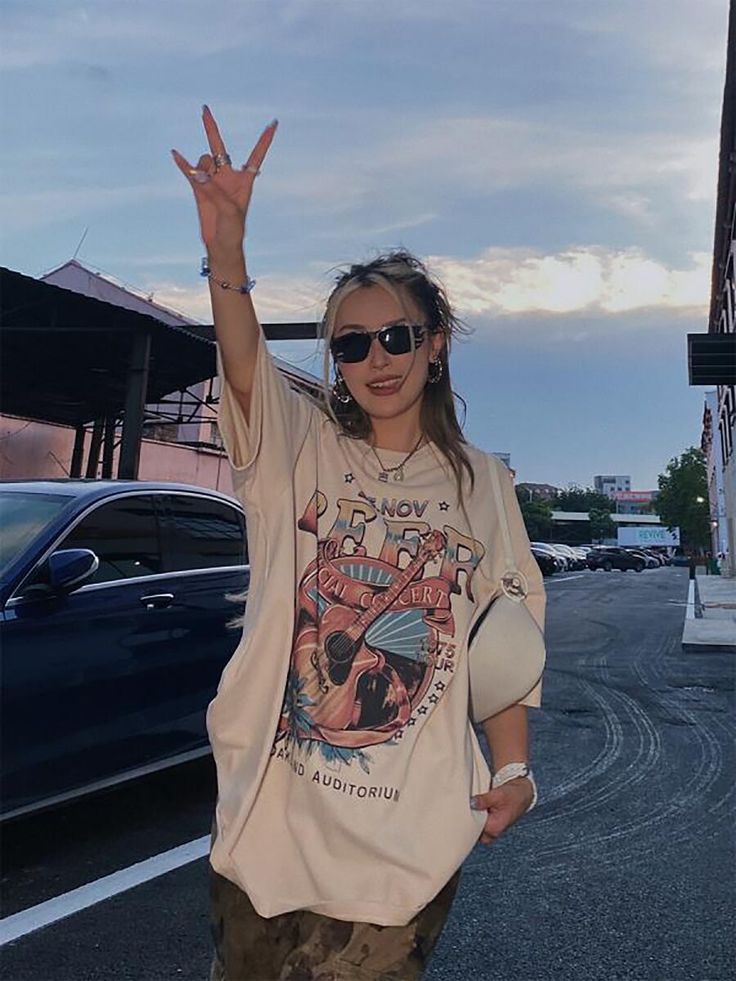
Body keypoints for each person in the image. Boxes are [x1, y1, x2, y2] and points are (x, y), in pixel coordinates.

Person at [172, 107, 545, 981]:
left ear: (435, 343)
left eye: (397, 335)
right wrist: (227, 252)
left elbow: (502, 645)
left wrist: (518, 766)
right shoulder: (296, 447)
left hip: (402, 846)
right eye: (350, 343)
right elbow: (242, 363)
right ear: (333, 358)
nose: (376, 357)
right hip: (271, 828)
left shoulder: (482, 485)